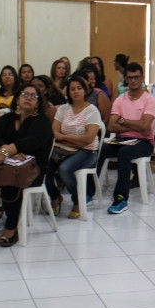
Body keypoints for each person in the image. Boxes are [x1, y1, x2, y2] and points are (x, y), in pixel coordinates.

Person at [0, 83, 53, 245]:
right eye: (25, 94)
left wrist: (6, 151)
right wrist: (8, 151)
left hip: (33, 170)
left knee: (10, 182)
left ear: (38, 102)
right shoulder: (7, 118)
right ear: (17, 98)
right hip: (7, 164)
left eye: (33, 96)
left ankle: (11, 228)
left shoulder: (42, 122)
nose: (28, 98)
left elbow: (32, 142)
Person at [97, 62, 155, 215]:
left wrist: (123, 121)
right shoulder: (120, 100)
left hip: (144, 142)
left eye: (137, 77)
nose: (134, 80)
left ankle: (121, 198)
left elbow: (145, 127)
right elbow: (111, 126)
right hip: (121, 139)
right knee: (101, 148)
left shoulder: (149, 100)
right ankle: (89, 192)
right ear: (126, 79)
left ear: (142, 78)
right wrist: (135, 126)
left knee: (124, 153)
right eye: (130, 77)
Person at [48, 74, 103, 220]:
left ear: (85, 90)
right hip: (64, 149)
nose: (76, 91)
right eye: (72, 89)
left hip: (88, 151)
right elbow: (54, 132)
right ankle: (55, 196)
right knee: (43, 165)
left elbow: (88, 139)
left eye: (79, 88)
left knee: (64, 168)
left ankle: (78, 200)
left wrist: (65, 138)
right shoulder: (63, 109)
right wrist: (74, 140)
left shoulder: (92, 111)